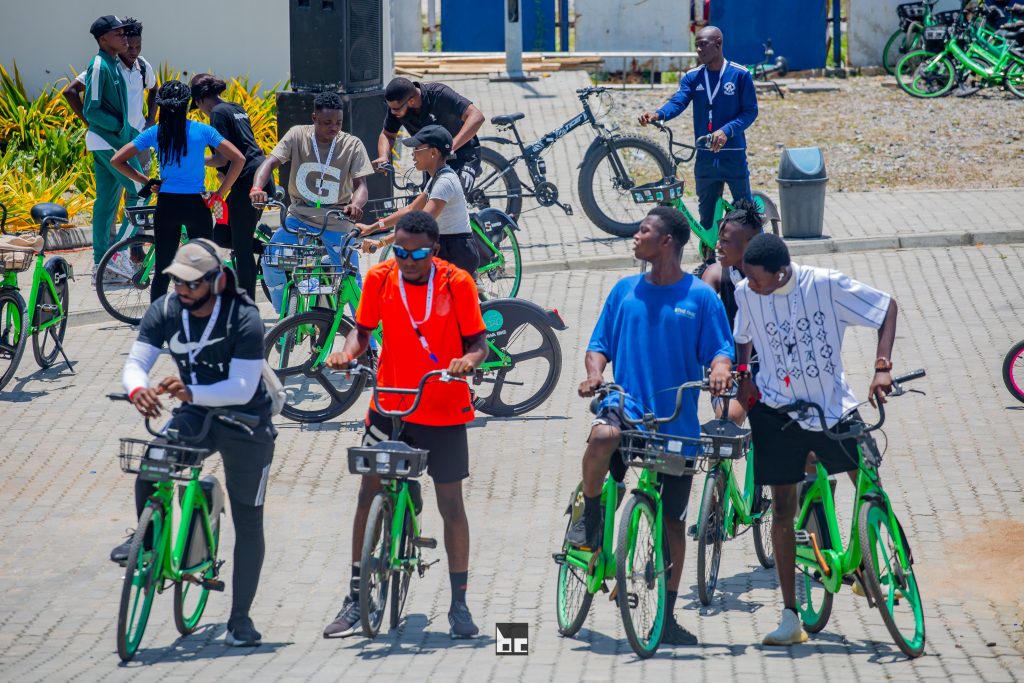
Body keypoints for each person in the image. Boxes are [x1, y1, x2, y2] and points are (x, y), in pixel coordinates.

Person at [569, 206, 735, 645]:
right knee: (603, 435)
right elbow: (598, 345)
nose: (635, 236)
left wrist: (720, 370)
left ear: (666, 242)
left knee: (674, 524)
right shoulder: (624, 291)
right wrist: (594, 374)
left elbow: (721, 351)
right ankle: (590, 514)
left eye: (643, 231)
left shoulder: (700, 297)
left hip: (675, 423)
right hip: (626, 406)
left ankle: (668, 615)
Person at [321, 211, 488, 640]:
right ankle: (356, 596)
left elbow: (478, 343)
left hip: (443, 406)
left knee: (451, 504)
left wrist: (467, 361)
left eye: (416, 254)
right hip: (390, 403)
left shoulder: (457, 283)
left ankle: (459, 603)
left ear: (435, 250)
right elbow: (362, 332)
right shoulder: (380, 278)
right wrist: (346, 352)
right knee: (368, 490)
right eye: (400, 251)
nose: (407, 260)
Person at [731, 233, 898, 646]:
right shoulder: (745, 292)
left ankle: (876, 562)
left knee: (869, 479)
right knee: (782, 510)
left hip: (832, 408)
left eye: (757, 279)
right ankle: (791, 617)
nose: (750, 285)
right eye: (747, 278)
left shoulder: (825, 284)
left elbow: (885, 307)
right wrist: (744, 376)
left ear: (781, 272)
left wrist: (881, 368)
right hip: (776, 412)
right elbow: (743, 334)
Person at [113, 239, 277, 647]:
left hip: (246, 422)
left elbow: (242, 387)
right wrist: (137, 390)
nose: (183, 290)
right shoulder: (166, 310)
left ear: (217, 281)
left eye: (192, 283)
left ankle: (240, 619)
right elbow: (136, 362)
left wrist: (189, 392)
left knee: (248, 520)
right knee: (152, 461)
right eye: (177, 282)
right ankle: (146, 540)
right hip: (196, 413)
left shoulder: (244, 317)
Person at [111, 80, 245, 302]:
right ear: (186, 105)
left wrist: (146, 180)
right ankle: (204, 316)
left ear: (161, 106)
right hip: (197, 206)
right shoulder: (203, 130)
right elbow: (238, 159)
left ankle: (157, 318)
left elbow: (117, 160)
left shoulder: (155, 132)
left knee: (163, 269)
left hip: (167, 206)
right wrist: (220, 193)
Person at [639, 26, 758, 260]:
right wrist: (658, 114)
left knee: (745, 214)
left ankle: (758, 259)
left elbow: (750, 111)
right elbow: (679, 101)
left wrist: (726, 131)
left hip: (733, 155)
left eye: (703, 44)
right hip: (705, 158)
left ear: (718, 44)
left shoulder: (740, 74)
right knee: (706, 219)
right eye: (697, 45)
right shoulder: (693, 77)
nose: (699, 50)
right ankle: (709, 263)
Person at [249, 91, 372, 313]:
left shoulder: (352, 144)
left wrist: (355, 205)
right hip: (299, 217)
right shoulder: (297, 135)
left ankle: (367, 334)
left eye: (338, 122)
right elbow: (269, 163)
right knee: (270, 261)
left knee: (351, 277)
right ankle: (286, 317)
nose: (334, 128)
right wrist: (257, 188)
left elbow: (361, 185)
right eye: (327, 123)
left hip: (336, 219)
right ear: (314, 118)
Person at [190, 73, 273, 300]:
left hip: (248, 182)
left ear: (200, 100)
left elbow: (222, 159)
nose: (201, 112)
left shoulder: (217, 113)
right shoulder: (235, 107)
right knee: (222, 236)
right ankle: (274, 251)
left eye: (198, 108)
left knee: (241, 246)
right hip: (260, 175)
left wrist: (194, 159)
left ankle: (247, 306)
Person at [357, 125, 480, 276]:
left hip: (456, 252)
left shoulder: (445, 182)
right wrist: (372, 228)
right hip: (443, 247)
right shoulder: (436, 178)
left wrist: (382, 242)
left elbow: (422, 224)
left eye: (416, 149)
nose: (412, 154)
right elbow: (410, 209)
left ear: (433, 152)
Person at [78, 15, 146, 282]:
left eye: (125, 33)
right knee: (141, 192)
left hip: (113, 143)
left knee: (106, 203)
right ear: (103, 38)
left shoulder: (113, 63)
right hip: (109, 144)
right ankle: (115, 257)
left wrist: (132, 134)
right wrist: (120, 128)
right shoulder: (98, 65)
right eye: (118, 34)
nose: (124, 38)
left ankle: (101, 264)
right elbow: (91, 110)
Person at [66, 18, 158, 173]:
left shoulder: (142, 65)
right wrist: (91, 123)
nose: (134, 51)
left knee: (143, 184)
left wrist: (150, 121)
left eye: (138, 47)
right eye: (130, 47)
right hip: (115, 139)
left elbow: (154, 89)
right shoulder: (108, 67)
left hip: (139, 138)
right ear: (123, 43)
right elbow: (70, 91)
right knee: (127, 184)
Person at [701, 198, 763, 424]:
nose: (718, 246)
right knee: (729, 417)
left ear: (750, 243)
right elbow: (701, 313)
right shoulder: (716, 274)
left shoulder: (774, 278)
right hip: (734, 366)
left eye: (726, 242)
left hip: (775, 366)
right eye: (719, 239)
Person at [374, 77, 485, 193]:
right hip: (433, 159)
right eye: (390, 108)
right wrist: (384, 156)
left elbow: (477, 116)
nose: (392, 112)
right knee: (430, 199)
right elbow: (387, 135)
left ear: (411, 101)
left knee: (453, 195)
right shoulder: (397, 107)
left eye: (395, 109)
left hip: (462, 152)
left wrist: (451, 146)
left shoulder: (439, 94)